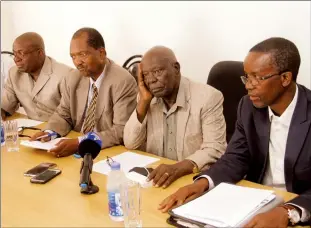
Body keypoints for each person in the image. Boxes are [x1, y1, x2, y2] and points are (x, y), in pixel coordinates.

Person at [159, 37, 311, 227]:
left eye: (257, 78)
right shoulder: (248, 106)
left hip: (297, 209)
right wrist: (202, 184)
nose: (248, 85)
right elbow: (235, 158)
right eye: (247, 77)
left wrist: (289, 211)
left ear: (285, 78)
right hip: (252, 202)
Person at [123, 46, 226, 189]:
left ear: (176, 68)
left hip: (191, 181)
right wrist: (144, 102)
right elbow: (130, 143)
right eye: (145, 74)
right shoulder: (146, 97)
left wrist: (176, 169)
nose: (151, 80)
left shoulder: (207, 97)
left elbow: (215, 149)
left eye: (157, 71)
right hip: (157, 180)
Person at [30, 27, 137, 157]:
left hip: (106, 152)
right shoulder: (73, 77)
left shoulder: (122, 81)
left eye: (83, 54)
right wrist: (50, 132)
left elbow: (121, 130)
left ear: (101, 53)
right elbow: (63, 114)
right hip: (73, 150)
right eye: (73, 56)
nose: (77, 62)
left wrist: (80, 142)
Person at [1, 32, 74, 121]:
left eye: (21, 53)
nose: (16, 59)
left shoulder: (66, 74)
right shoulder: (14, 73)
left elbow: (70, 116)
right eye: (14, 53)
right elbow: (5, 106)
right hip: (31, 129)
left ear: (39, 53)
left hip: (59, 130)